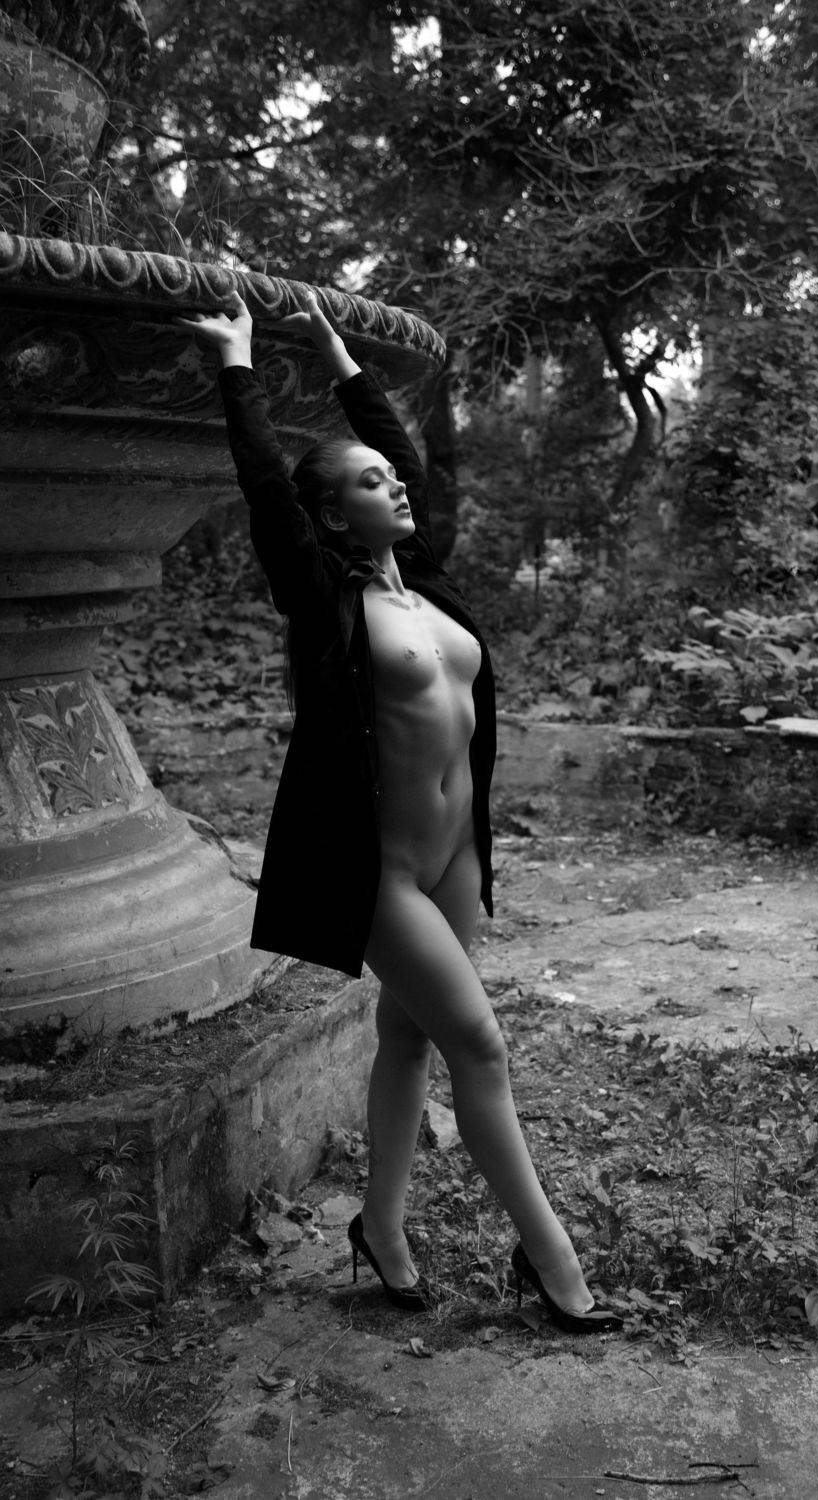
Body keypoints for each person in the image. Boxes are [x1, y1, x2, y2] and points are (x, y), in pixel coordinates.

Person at [179, 292, 620, 1333]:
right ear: (336, 517)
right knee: (480, 1046)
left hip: (455, 855)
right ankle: (550, 1258)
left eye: (392, 474)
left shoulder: (423, 585)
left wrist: (343, 363)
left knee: (410, 1036)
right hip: (376, 868)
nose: (399, 483)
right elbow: (269, 494)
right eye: (373, 482)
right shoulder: (326, 602)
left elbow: (402, 451)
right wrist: (238, 366)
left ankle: (380, 1228)